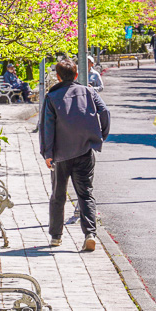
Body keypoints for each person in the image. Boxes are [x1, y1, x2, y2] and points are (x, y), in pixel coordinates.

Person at [40, 59, 111, 251]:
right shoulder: (88, 91)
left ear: (58, 76)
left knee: (58, 194)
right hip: (85, 150)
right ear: (77, 75)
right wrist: (100, 136)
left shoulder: (52, 96)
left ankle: (56, 236)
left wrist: (47, 152)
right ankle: (90, 233)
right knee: (85, 193)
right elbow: (104, 111)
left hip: (60, 154)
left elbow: (47, 125)